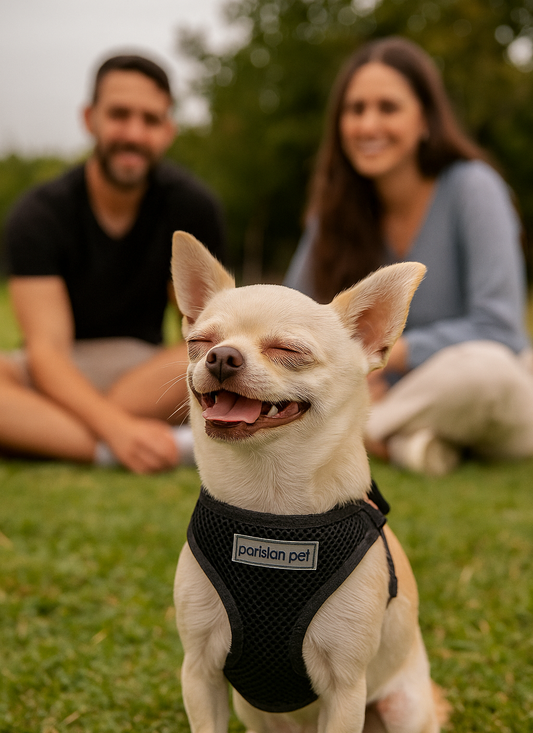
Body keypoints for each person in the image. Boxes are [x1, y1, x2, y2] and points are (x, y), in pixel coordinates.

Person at [285, 36, 533, 475]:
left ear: (425, 121)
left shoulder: (473, 187)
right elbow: (291, 315)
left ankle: (349, 432)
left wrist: (384, 359)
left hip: (480, 387)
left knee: (486, 371)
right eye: (355, 109)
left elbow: (500, 329)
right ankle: (408, 444)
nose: (368, 125)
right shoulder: (335, 210)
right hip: (388, 393)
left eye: (388, 108)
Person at [0, 53, 224, 474]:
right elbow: (46, 353)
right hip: (60, 371)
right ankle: (144, 446)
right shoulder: (39, 214)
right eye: (119, 115)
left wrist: (115, 413)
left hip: (146, 374)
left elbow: (207, 329)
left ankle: (43, 431)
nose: (134, 134)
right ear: (90, 119)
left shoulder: (193, 208)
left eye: (151, 119)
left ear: (168, 130)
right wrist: (116, 429)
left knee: (212, 351)